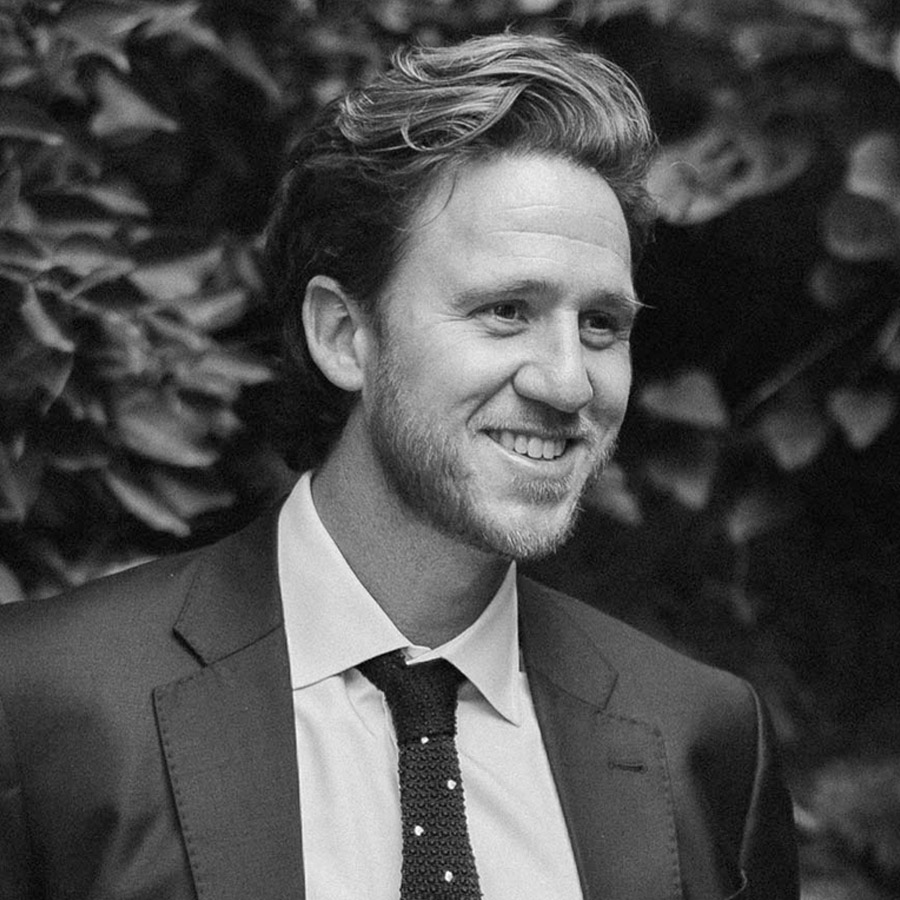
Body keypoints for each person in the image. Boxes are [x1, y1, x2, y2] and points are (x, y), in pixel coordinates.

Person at [0, 32, 798, 900]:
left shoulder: (704, 740)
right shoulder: (41, 703)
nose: (570, 381)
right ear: (345, 336)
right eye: (505, 310)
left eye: (601, 324)